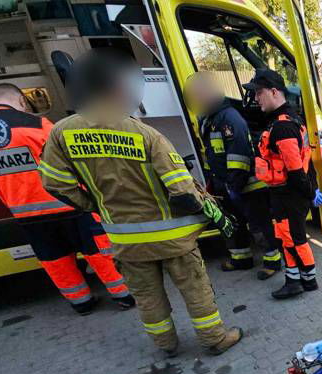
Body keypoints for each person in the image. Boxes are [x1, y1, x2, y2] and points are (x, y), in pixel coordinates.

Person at [38, 50, 242, 356]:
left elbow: (55, 183)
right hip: (173, 240)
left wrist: (93, 204)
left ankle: (166, 344)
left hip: (125, 240)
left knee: (147, 296)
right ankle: (214, 338)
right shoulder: (145, 134)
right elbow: (183, 190)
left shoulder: (61, 133)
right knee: (195, 290)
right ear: (116, 88)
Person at [0, 83, 133, 315]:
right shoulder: (36, 124)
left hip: (25, 213)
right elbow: (67, 159)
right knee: (97, 252)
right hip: (67, 204)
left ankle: (81, 302)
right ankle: (123, 295)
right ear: (21, 101)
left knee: (55, 259)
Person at [184, 72, 282, 280]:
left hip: (247, 184)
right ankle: (241, 258)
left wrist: (233, 184)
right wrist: (215, 182)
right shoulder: (210, 118)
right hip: (226, 184)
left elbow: (239, 154)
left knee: (259, 225)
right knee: (232, 224)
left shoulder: (229, 118)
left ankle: (273, 261)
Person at [244, 68, 322, 299]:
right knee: (286, 239)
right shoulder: (286, 120)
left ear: (273, 92)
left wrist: (310, 193)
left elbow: (296, 169)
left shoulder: (282, 127)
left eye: (259, 93)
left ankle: (307, 282)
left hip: (290, 195)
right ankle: (294, 281)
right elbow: (303, 163)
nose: (256, 98)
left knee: (295, 240)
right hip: (284, 195)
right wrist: (312, 190)